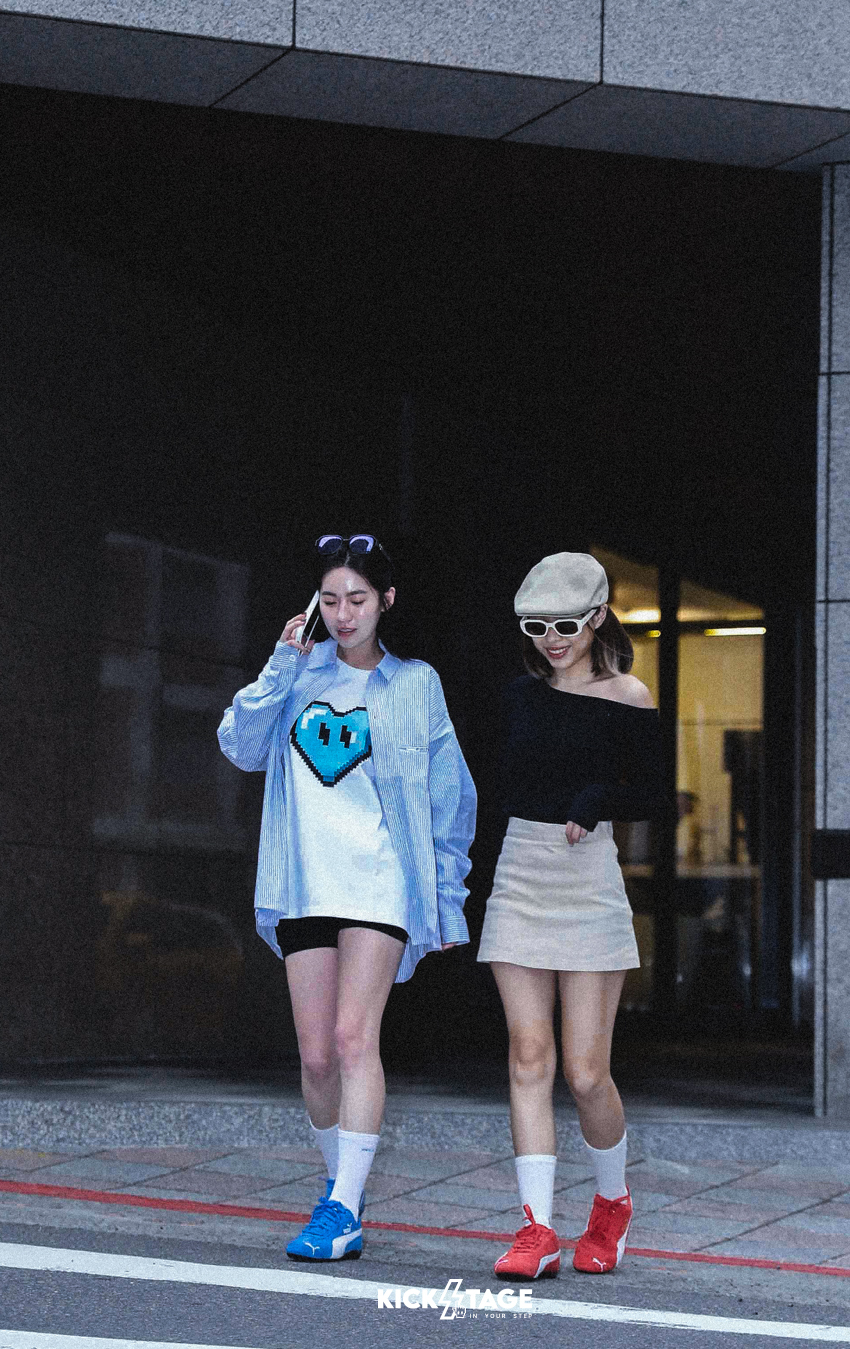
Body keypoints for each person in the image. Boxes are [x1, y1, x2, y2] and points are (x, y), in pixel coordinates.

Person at [218, 533, 476, 1262]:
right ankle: (343, 1188)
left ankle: (339, 1209)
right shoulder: (297, 675)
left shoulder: (415, 684)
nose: (342, 614)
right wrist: (281, 663)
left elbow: (450, 797)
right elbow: (239, 745)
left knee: (354, 1040)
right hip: (304, 881)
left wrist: (445, 896)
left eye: (357, 599)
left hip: (380, 882)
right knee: (315, 1058)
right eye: (329, 600)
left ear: (386, 601)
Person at [479, 551, 663, 1281]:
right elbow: (496, 784)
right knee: (529, 1056)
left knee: (586, 1074)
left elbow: (653, 794)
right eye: (536, 627)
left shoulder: (628, 694)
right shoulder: (518, 698)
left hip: (587, 878)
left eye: (564, 624)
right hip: (520, 872)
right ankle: (535, 1229)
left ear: (597, 617)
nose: (551, 640)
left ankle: (612, 1204)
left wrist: (597, 798)